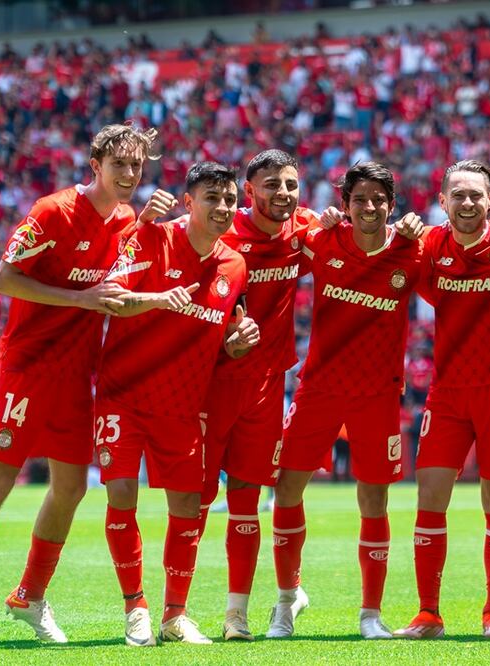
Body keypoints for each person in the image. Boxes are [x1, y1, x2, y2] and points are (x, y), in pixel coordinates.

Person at [0, 123, 178, 649]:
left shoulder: (126, 223)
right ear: (95, 165)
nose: (130, 175)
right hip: (26, 370)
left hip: (77, 377)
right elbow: (3, 279)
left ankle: (28, 595)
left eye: (138, 166)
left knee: (70, 489)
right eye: (120, 165)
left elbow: (116, 288)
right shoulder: (53, 210)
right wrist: (82, 299)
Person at [96, 161, 258, 647]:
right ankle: (135, 610)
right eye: (212, 197)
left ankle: (175, 615)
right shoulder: (150, 238)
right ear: (189, 202)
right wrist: (158, 299)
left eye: (230, 199)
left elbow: (230, 330)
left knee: (188, 506)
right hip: (123, 395)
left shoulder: (235, 264)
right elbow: (110, 298)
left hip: (182, 406)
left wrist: (239, 338)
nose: (223, 207)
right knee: (122, 495)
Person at [267, 162, 424, 640]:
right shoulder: (323, 239)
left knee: (373, 500)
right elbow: (280, 223)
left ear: (391, 206)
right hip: (318, 389)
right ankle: (287, 599)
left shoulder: (411, 250)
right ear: (347, 204)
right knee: (287, 490)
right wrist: (321, 219)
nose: (369, 207)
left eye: (379, 199)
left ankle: (370, 615)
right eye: (360, 199)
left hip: (378, 395)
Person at [394, 160, 490, 640]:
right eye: (457, 194)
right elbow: (388, 255)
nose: (467, 202)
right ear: (443, 201)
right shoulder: (429, 246)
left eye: (476, 194)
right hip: (449, 392)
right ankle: (428, 614)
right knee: (429, 498)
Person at [200, 149, 319, 641]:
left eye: (290, 184)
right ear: (249, 192)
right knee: (194, 501)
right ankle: (169, 612)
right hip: (209, 384)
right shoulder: (222, 233)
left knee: (247, 499)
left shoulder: (304, 229)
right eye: (271, 185)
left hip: (267, 386)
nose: (283, 194)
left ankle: (236, 617)